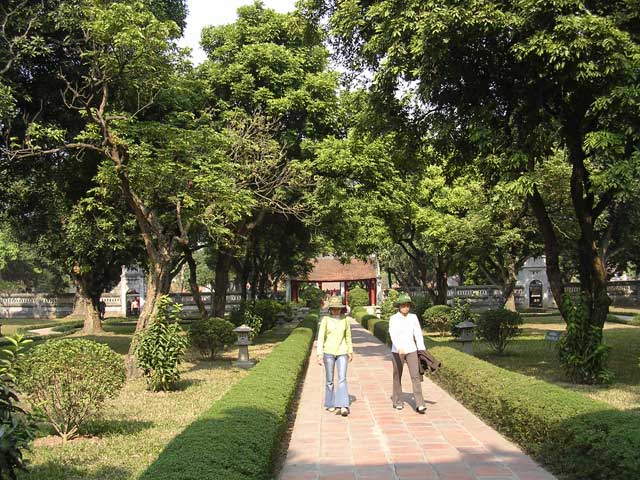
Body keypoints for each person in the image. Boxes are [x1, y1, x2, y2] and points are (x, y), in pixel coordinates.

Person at [388, 293, 427, 414]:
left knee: (415, 376)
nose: (405, 307)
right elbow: (392, 334)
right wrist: (399, 347)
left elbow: (418, 334)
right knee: (397, 375)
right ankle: (398, 401)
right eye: (403, 305)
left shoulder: (413, 317)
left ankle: (420, 403)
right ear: (399, 306)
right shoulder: (393, 318)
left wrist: (421, 349)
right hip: (397, 351)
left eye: (407, 305)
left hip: (411, 349)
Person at [316, 296, 353, 416]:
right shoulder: (325, 320)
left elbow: (348, 337)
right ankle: (330, 402)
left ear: (341, 309)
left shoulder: (345, 320)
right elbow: (321, 337)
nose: (336, 310)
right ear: (330, 309)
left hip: (342, 351)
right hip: (328, 352)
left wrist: (350, 351)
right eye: (334, 308)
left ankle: (343, 405)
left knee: (342, 379)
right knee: (329, 380)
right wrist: (319, 354)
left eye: (338, 308)